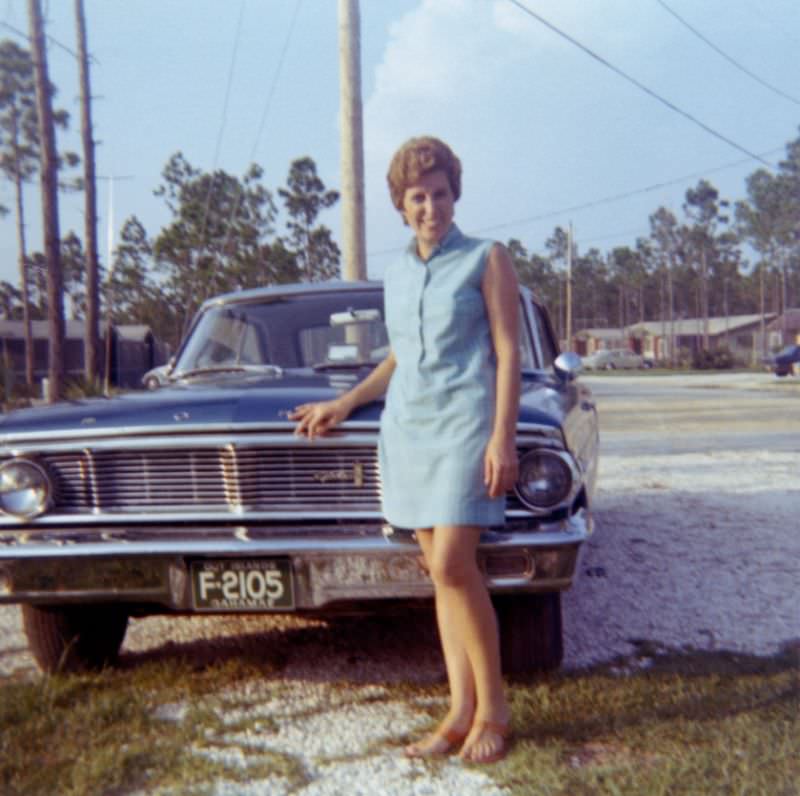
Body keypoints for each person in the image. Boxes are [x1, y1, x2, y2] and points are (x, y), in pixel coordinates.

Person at [290, 136, 520, 764]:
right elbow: (400, 355)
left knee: (452, 565)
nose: (431, 207)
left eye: (440, 193)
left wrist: (503, 436)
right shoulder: (395, 272)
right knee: (442, 578)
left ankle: (494, 709)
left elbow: (508, 353)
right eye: (418, 197)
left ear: (455, 193)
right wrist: (346, 401)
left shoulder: (486, 258)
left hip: (466, 426)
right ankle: (458, 712)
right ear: (400, 204)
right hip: (409, 429)